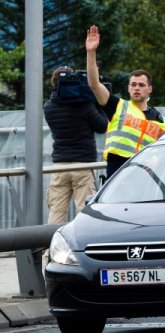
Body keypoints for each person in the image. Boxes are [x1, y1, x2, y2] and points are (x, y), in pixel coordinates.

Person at [85, 25, 165, 179]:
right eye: (133, 85)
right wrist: (91, 52)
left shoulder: (161, 120)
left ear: (150, 89)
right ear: (129, 88)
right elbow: (94, 84)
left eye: (141, 85)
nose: (137, 88)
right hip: (118, 172)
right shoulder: (118, 106)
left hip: (145, 174)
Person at [43, 66, 108, 224]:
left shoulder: (48, 107)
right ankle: (80, 247)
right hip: (82, 166)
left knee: (56, 213)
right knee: (84, 212)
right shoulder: (84, 105)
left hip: (59, 167)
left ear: (54, 83)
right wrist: (99, 105)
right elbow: (102, 126)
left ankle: (51, 247)